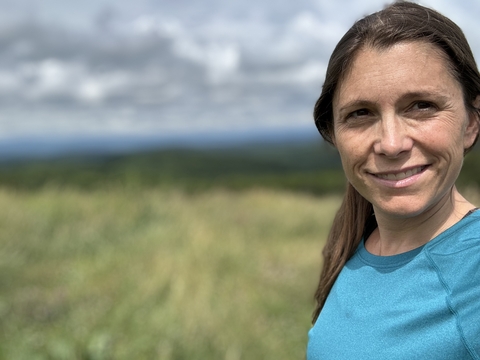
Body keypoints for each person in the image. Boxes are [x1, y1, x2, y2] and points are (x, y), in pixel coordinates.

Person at [306, 1, 480, 359]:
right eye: (360, 113)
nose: (391, 143)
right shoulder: (355, 245)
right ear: (334, 135)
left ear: (472, 122)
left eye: (421, 105)